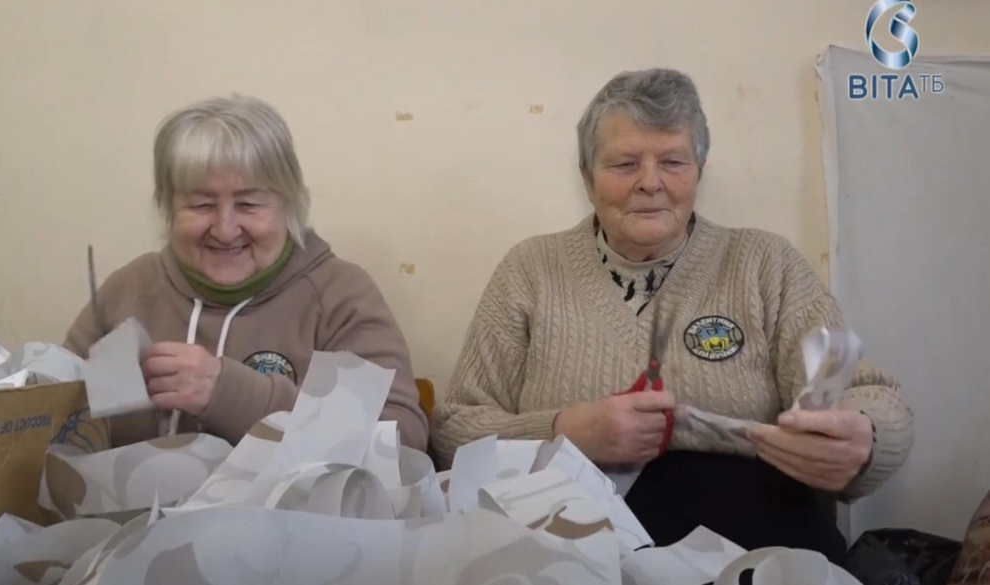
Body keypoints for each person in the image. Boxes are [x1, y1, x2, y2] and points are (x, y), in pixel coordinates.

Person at [430, 68, 913, 561]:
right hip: (573, 555)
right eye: (623, 164)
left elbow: (868, 395)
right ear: (587, 178)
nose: (650, 183)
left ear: (699, 171)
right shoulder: (529, 270)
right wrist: (564, 432)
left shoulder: (767, 264)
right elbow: (455, 430)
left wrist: (863, 437)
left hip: (756, 550)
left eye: (673, 161)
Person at [63, 94, 428, 452]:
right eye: (201, 204)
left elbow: (402, 442)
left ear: (289, 204)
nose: (225, 229)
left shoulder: (339, 295)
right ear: (167, 207)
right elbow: (48, 420)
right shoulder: (129, 289)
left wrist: (231, 394)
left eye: (249, 204)